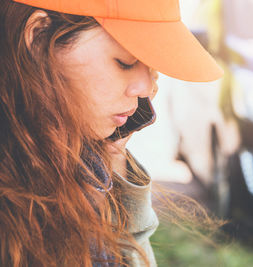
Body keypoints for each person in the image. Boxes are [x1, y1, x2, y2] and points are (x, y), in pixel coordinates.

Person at [0, 0, 223, 266]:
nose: (147, 89)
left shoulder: (83, 159)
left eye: (152, 66)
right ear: (38, 35)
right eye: (125, 63)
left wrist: (114, 161)